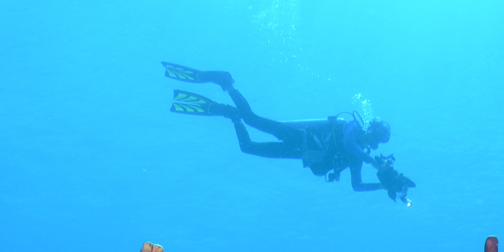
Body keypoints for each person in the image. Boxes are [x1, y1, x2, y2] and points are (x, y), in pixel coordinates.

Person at [164, 62, 414, 204]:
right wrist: (376, 164)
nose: (373, 139)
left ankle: (230, 115)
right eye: (375, 134)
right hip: (299, 136)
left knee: (247, 147)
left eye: (377, 140)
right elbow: (349, 144)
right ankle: (227, 83)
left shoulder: (359, 157)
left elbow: (357, 186)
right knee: (253, 118)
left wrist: (382, 186)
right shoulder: (352, 127)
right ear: (369, 128)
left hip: (300, 154)